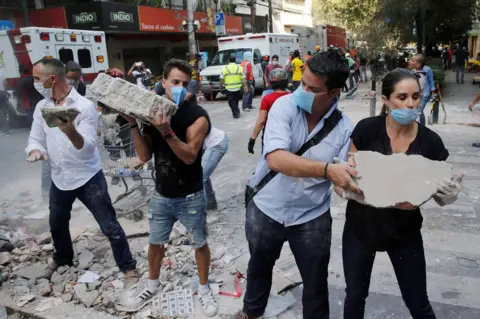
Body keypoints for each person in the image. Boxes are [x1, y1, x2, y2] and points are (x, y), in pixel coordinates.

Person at [234, 51, 360, 319]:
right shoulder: (284, 106)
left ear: (334, 92)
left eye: (312, 89)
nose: (302, 91)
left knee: (315, 281)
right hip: (266, 207)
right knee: (259, 265)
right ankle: (251, 311)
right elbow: (276, 158)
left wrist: (350, 187)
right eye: (302, 83)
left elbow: (341, 181)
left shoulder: (344, 129)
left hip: (311, 216)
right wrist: (327, 171)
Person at [338, 68, 462, 319]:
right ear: (385, 100)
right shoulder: (367, 130)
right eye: (402, 97)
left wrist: (448, 194)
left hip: (404, 233)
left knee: (418, 303)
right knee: (354, 296)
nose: (411, 103)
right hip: (360, 228)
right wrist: (346, 185)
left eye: (416, 96)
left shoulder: (430, 142)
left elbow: (437, 192)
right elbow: (350, 177)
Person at [25, 58, 139, 285]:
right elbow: (35, 137)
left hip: (88, 177)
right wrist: (35, 150)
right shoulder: (42, 106)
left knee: (109, 225)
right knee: (57, 224)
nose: (35, 83)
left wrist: (70, 131)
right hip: (60, 178)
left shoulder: (84, 106)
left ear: (52, 78)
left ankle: (128, 268)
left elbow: (87, 147)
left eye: (37, 78)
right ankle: (63, 260)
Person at [121, 59, 218, 316]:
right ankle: (152, 284)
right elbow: (144, 156)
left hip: (191, 195)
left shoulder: (197, 116)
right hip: (162, 194)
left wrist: (167, 131)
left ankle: (204, 287)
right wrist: (133, 123)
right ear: (163, 82)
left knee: (199, 243)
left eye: (185, 84)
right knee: (155, 243)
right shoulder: (153, 112)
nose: (180, 88)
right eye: (175, 82)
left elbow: (189, 156)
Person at [248, 68, 290, 154]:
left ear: (271, 82)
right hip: (289, 134)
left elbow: (261, 120)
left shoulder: (267, 99)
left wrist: (253, 138)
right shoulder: (293, 97)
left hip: (270, 136)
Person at [202, 126, 228, 210]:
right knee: (201, 175)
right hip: (203, 144)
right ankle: (210, 202)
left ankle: (200, 212)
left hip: (216, 143)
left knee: (199, 177)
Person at [0, 69, 9, 136]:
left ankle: (4, 130)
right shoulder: (1, 72)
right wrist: (6, 92)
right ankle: (5, 130)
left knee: (1, 113)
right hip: (2, 92)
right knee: (3, 111)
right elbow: (4, 83)